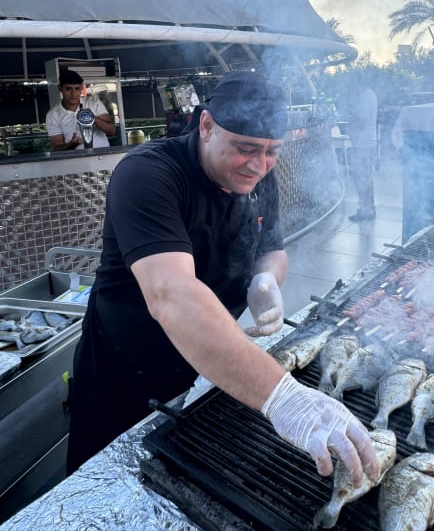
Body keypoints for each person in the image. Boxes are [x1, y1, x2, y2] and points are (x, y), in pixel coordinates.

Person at [66, 70, 378, 488]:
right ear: (207, 125)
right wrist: (282, 396)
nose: (258, 165)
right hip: (127, 372)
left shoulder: (259, 175)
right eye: (245, 148)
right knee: (108, 487)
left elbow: (273, 248)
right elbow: (172, 294)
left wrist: (266, 280)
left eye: (271, 151)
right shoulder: (147, 174)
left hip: (216, 361)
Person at [45, 69, 115, 150]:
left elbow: (111, 130)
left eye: (77, 88)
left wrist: (94, 118)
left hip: (102, 154)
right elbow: (56, 147)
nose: (73, 93)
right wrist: (73, 144)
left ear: (81, 88)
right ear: (60, 88)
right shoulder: (53, 115)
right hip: (75, 157)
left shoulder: (93, 103)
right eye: (68, 89)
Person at [341, 76, 378, 222]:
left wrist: (350, 116)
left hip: (364, 145)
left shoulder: (367, 97)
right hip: (363, 144)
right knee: (364, 178)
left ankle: (366, 211)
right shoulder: (367, 96)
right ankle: (367, 209)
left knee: (362, 178)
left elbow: (362, 121)